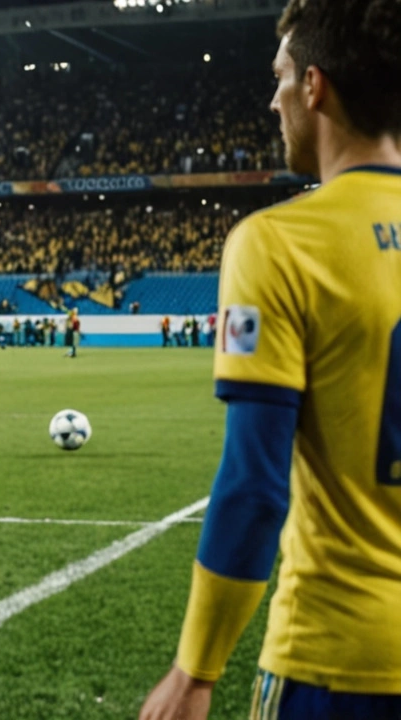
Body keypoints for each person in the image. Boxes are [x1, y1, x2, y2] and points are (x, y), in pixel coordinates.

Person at [139, 2, 401, 718]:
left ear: (315, 88)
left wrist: (195, 670)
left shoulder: (279, 243)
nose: (271, 98)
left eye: (280, 77)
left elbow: (254, 486)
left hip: (339, 661)